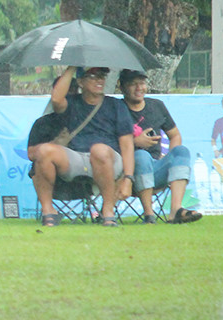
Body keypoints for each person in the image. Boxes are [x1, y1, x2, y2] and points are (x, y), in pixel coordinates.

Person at [32, 66, 134, 227]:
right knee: (44, 151)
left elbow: (127, 145)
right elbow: (57, 99)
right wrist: (72, 66)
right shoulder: (72, 103)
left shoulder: (116, 106)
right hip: (77, 158)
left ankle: (108, 210)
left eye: (102, 76)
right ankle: (48, 211)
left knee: (99, 150)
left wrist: (128, 178)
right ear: (80, 81)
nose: (100, 80)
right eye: (93, 76)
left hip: (109, 159)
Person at [118, 69, 201, 224]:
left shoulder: (156, 106)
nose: (139, 88)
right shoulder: (116, 108)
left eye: (142, 83)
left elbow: (175, 135)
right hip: (127, 173)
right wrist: (135, 143)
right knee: (141, 155)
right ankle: (149, 215)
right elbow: (107, 142)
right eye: (132, 84)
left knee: (181, 151)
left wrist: (167, 155)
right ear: (121, 87)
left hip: (156, 168)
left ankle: (176, 210)